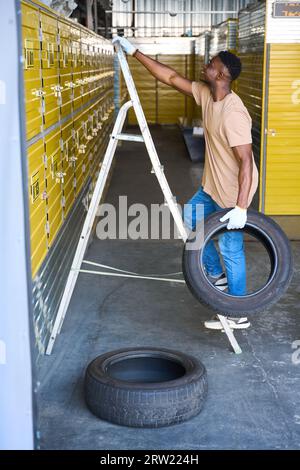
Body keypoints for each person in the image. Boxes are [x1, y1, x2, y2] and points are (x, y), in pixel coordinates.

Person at [112, 36, 259, 331]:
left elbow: (246, 161)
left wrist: (242, 207)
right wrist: (134, 52)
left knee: (231, 247)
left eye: (211, 64)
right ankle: (216, 275)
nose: (206, 65)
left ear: (221, 74)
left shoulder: (233, 113)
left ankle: (237, 310)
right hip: (211, 185)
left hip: (233, 192)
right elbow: (170, 76)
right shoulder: (207, 94)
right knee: (191, 217)